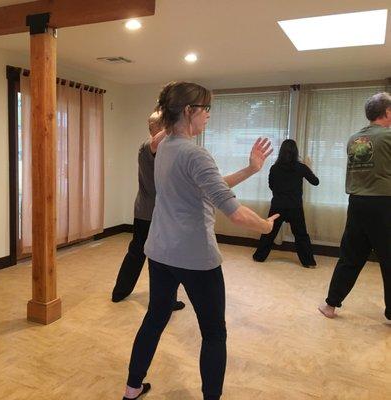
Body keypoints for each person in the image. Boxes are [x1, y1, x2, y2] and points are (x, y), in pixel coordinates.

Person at [122, 81, 278, 400]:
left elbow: (210, 186)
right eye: (206, 109)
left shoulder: (164, 148)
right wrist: (264, 226)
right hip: (195, 258)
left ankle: (132, 388)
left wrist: (250, 168)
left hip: (160, 252)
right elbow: (233, 212)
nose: (209, 116)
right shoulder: (195, 154)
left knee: (155, 317)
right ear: (190, 111)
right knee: (214, 332)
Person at [319, 92, 391, 320]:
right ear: (387, 112)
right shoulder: (388, 136)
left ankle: (330, 305)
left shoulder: (354, 139)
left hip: (357, 203)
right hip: (383, 204)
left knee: (351, 256)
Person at [112, 111, 185, 310]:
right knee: (143, 254)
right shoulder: (147, 147)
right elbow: (155, 142)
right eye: (163, 126)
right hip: (149, 213)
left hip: (160, 213)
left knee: (161, 257)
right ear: (155, 128)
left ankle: (165, 300)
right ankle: (121, 292)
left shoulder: (168, 150)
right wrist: (175, 123)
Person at [252, 139, 319, 267]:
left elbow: (271, 185)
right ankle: (309, 262)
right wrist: (309, 168)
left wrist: (280, 194)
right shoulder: (301, 168)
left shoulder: (274, 168)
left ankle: (259, 257)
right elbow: (315, 182)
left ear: (281, 152)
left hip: (278, 205)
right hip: (295, 207)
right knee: (301, 235)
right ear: (296, 152)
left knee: (268, 232)